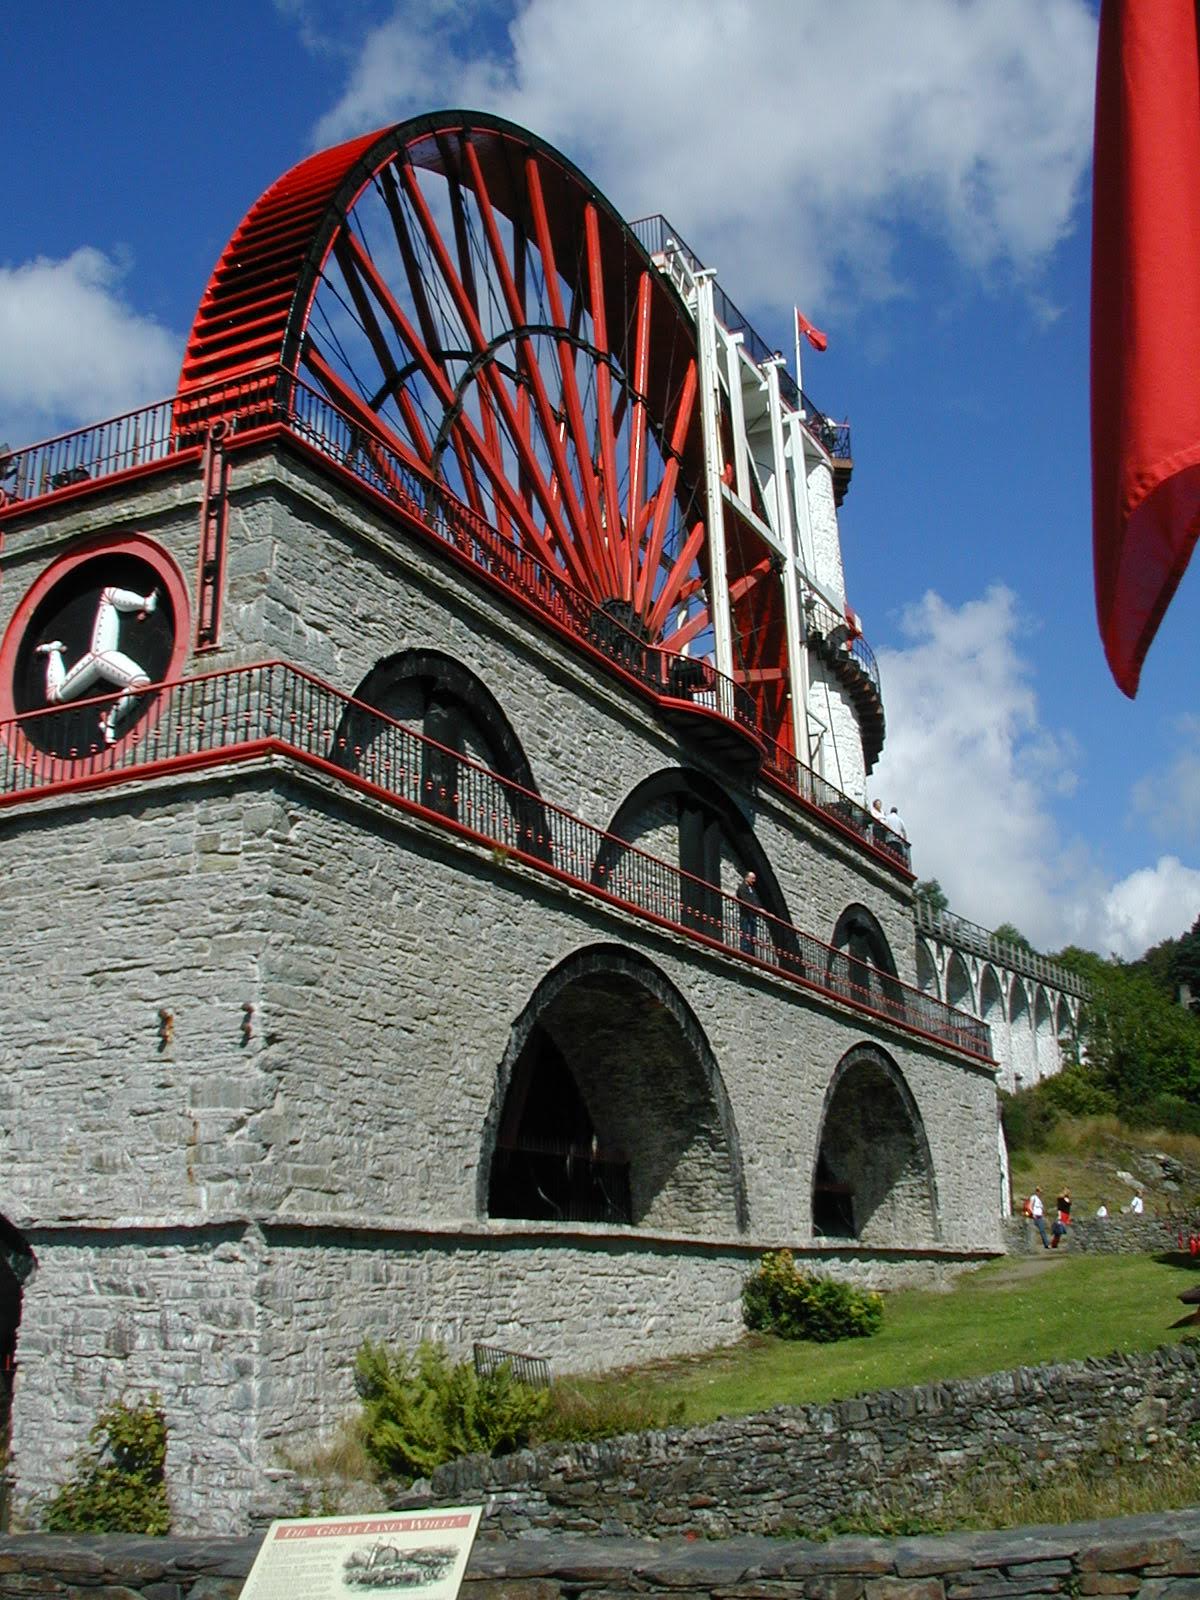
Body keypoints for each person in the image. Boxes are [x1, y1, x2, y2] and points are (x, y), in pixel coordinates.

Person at [737, 868, 762, 956]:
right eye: (752, 878)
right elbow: (746, 900)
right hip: (746, 914)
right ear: (747, 878)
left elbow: (756, 901)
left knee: (752, 933)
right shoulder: (742, 888)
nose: (754, 881)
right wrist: (757, 908)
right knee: (745, 931)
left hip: (752, 915)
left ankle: (751, 951)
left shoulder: (752, 890)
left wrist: (760, 909)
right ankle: (745, 951)